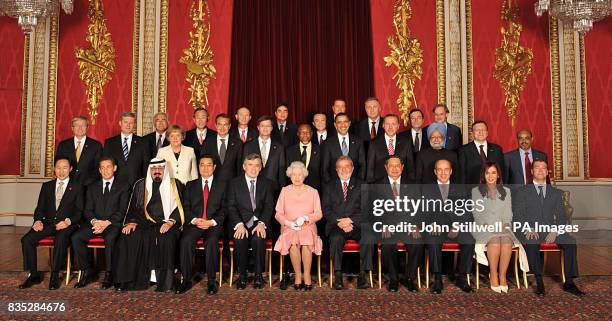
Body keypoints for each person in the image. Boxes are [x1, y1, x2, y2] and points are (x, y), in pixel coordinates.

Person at [513, 159, 585, 297]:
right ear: (532, 171)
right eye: (537, 168)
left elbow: (562, 217)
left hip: (551, 230)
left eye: (543, 168)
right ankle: (539, 281)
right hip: (530, 229)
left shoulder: (556, 193)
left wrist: (555, 230)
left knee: (570, 242)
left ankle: (569, 282)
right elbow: (518, 214)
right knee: (532, 241)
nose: (540, 170)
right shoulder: (522, 191)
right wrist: (527, 228)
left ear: (547, 172)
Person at [114, 159, 186, 292]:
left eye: (160, 168)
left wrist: (171, 222)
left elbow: (182, 207)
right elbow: (133, 208)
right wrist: (131, 222)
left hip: (168, 223)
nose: (157, 171)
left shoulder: (175, 184)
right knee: (128, 236)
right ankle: (129, 282)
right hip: (144, 223)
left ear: (165, 169)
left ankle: (165, 283)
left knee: (166, 238)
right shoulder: (140, 185)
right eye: (154, 168)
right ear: (150, 170)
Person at [19, 157, 83, 290]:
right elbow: (39, 208)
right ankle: (34, 275)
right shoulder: (47, 186)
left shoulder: (77, 187)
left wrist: (67, 222)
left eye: (65, 167)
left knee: (60, 239)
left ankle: (54, 275)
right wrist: (37, 221)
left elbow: (79, 212)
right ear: (54, 169)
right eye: (58, 167)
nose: (61, 171)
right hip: (47, 224)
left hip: (67, 225)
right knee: (27, 240)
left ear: (70, 169)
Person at [72, 157, 130, 289]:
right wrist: (95, 222)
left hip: (113, 224)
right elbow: (87, 210)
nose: (105, 170)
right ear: (99, 170)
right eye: (102, 167)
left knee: (110, 238)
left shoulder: (123, 186)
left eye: (108, 166)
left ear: (114, 168)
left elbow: (123, 210)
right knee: (77, 237)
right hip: (96, 223)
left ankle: (110, 273)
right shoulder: (92, 187)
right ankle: (88, 271)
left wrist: (106, 223)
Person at [471, 161, 528, 293]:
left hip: (502, 226)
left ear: (498, 175)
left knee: (507, 242)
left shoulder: (506, 191)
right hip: (482, 226)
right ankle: (493, 274)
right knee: (495, 242)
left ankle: (502, 275)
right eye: (487, 173)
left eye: (493, 173)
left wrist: (505, 225)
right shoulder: (476, 191)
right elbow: (477, 214)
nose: (490, 176)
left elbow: (508, 213)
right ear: (483, 175)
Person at [422, 159, 475, 294]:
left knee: (469, 240)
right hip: (436, 227)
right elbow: (422, 212)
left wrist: (457, 226)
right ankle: (438, 279)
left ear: (451, 171)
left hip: (456, 227)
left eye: (446, 169)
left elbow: (467, 212)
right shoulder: (427, 189)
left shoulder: (461, 188)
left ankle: (462, 277)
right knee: (432, 240)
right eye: (440, 170)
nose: (443, 173)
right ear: (435, 172)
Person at [176, 155, 226, 295]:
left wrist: (211, 222)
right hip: (196, 223)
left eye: (209, 165)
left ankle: (211, 281)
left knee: (211, 241)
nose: (205, 168)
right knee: (185, 240)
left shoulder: (222, 185)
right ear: (198, 167)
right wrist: (195, 220)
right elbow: (185, 207)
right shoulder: (190, 185)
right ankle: (186, 280)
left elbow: (225, 208)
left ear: (214, 167)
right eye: (202, 165)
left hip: (213, 224)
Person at [226, 154, 276, 289]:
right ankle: (242, 275)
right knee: (240, 239)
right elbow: (231, 206)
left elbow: (269, 206)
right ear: (244, 167)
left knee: (259, 239)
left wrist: (262, 223)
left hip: (259, 222)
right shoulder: (234, 183)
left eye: (256, 165)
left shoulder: (267, 183)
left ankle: (258, 276)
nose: (253, 169)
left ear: (260, 168)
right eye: (250, 165)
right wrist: (239, 224)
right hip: (241, 222)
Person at [322, 156, 372, 290]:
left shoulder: (363, 185)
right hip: (336, 225)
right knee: (336, 238)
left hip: (357, 224)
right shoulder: (329, 186)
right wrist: (341, 222)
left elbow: (367, 209)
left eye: (347, 166)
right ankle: (338, 276)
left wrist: (350, 220)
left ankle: (363, 275)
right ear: (336, 169)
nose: (344, 170)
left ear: (353, 168)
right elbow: (326, 210)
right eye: (340, 167)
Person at [274, 162, 323, 291]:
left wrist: (306, 218)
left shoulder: (313, 192)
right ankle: (298, 275)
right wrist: (288, 223)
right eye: (294, 174)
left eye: (299, 174)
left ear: (304, 176)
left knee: (306, 242)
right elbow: (278, 213)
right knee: (294, 242)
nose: (297, 177)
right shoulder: (284, 191)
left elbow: (319, 214)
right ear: (290, 176)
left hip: (308, 225)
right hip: (289, 226)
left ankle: (306, 275)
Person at [377, 156, 423, 292]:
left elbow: (420, 208)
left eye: (398, 166)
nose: (395, 169)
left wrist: (415, 225)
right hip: (388, 226)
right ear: (386, 168)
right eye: (391, 166)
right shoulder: (377, 185)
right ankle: (393, 279)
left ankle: (410, 278)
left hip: (408, 225)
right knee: (387, 243)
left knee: (417, 242)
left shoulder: (413, 185)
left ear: (402, 167)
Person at [103, 112, 150, 185]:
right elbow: (105, 165)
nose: (128, 125)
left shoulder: (143, 143)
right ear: (120, 123)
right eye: (125, 122)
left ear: (134, 125)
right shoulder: (109, 143)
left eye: (131, 123)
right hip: (115, 186)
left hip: (136, 185)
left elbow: (146, 166)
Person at [366, 114, 415, 183]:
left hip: (402, 185)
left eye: (393, 124)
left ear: (398, 126)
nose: (390, 127)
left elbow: (410, 167)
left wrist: (412, 185)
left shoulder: (406, 142)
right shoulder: (374, 143)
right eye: (387, 124)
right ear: (383, 125)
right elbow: (370, 169)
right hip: (380, 185)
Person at [55, 116, 103, 187]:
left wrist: (86, 183)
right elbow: (58, 165)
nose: (80, 128)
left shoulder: (96, 146)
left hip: (88, 186)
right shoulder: (63, 145)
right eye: (77, 125)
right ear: (72, 128)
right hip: (67, 186)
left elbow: (98, 167)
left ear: (87, 128)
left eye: (83, 125)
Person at [242, 115, 286, 191]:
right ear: (258, 127)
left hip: (273, 189)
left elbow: (281, 171)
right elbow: (244, 168)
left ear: (272, 128)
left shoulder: (279, 147)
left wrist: (283, 190)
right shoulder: (248, 145)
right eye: (262, 126)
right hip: (252, 188)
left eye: (268, 126)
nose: (265, 128)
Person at [321, 113, 366, 183]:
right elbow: (325, 168)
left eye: (345, 122)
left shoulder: (358, 141)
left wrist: (358, 183)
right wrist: (331, 185)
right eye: (339, 122)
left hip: (355, 185)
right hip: (334, 185)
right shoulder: (328, 143)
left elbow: (362, 165)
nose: (343, 125)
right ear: (335, 125)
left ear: (349, 123)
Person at [459, 120, 504, 185]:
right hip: (472, 190)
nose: (480, 132)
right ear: (472, 133)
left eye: (483, 130)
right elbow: (462, 175)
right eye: (477, 130)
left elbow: (501, 172)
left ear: (487, 132)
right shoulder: (464, 150)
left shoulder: (497, 149)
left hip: (494, 190)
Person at [203, 113, 243, 181]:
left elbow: (240, 166)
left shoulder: (238, 143)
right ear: (215, 125)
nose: (222, 128)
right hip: (213, 183)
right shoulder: (208, 142)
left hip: (232, 183)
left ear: (229, 126)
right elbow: (203, 164)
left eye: (225, 125)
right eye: (219, 124)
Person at [286, 124, 322, 190]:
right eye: (302, 132)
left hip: (314, 189)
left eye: (307, 132)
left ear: (311, 134)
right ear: (298, 134)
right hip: (295, 188)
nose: (305, 134)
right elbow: (287, 172)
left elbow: (322, 171)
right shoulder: (290, 151)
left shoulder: (320, 150)